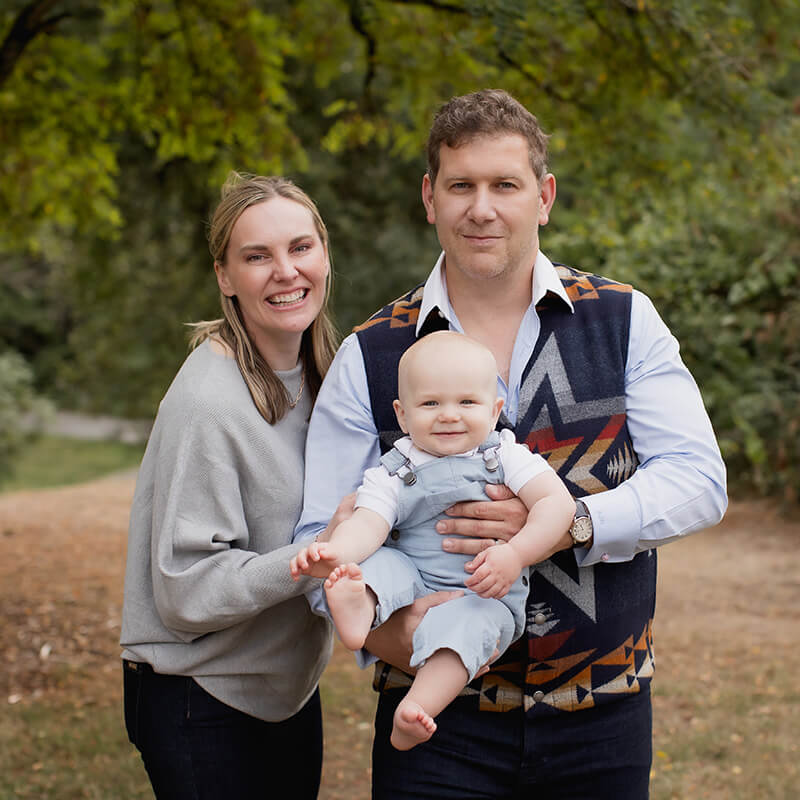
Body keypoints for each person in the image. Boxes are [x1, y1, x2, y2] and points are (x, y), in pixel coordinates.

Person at [295, 89, 727, 799]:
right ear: (430, 197)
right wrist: (399, 635)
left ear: (544, 196)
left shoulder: (621, 319)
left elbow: (699, 480)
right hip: (434, 727)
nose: (482, 207)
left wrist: (568, 524)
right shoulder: (371, 353)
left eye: (505, 185)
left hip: (602, 712)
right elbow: (318, 533)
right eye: (461, 185)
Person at [120, 173, 349, 800]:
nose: (285, 271)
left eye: (300, 248)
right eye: (257, 256)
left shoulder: (324, 379)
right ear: (224, 276)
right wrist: (312, 561)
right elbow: (185, 591)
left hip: (283, 689)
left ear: (324, 254)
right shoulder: (210, 402)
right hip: (201, 698)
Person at [291, 331, 575, 750]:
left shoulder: (505, 456)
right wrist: (335, 552)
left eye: (466, 402)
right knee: (378, 562)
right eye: (430, 404)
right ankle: (358, 606)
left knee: (464, 632)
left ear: (495, 410)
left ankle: (416, 707)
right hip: (414, 581)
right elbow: (368, 522)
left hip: (483, 594)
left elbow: (556, 504)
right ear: (402, 415)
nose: (448, 416)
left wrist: (515, 554)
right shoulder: (395, 469)